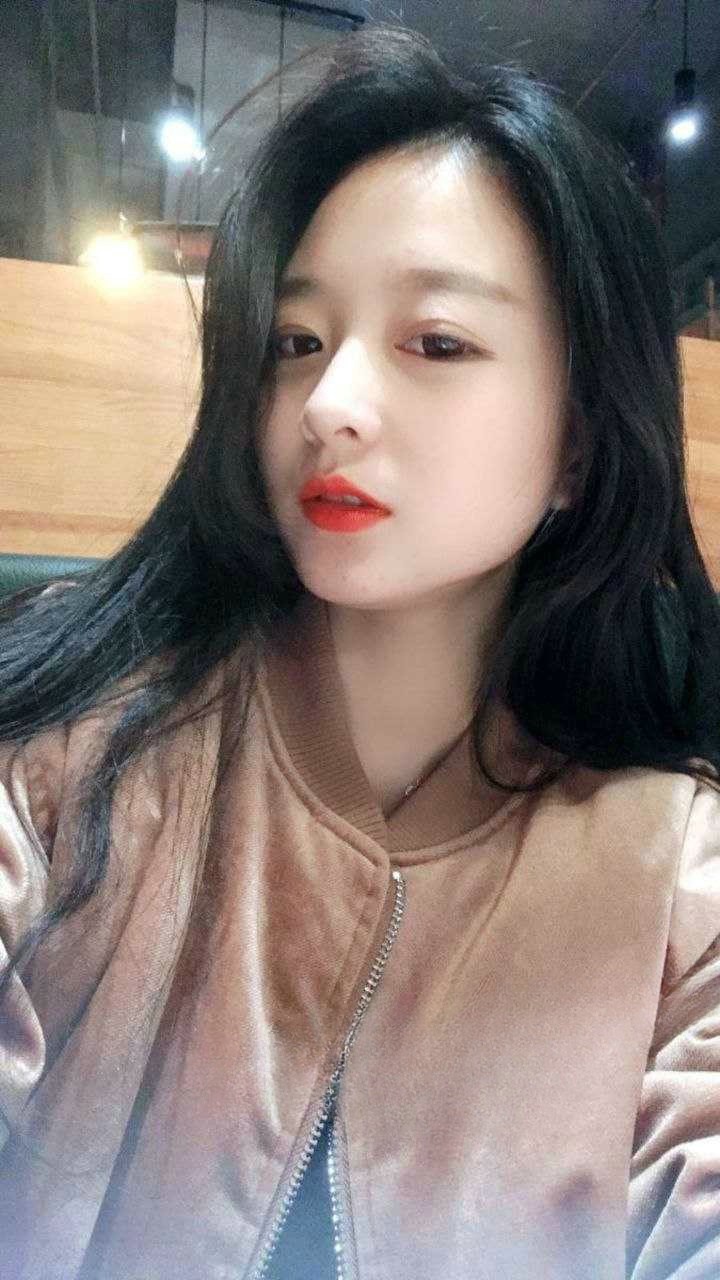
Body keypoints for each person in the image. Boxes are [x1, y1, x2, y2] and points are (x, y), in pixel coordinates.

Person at [1, 21, 719, 1280]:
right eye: (297, 341)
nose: (327, 403)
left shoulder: (678, 884)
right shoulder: (78, 745)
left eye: (436, 342)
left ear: (580, 444)